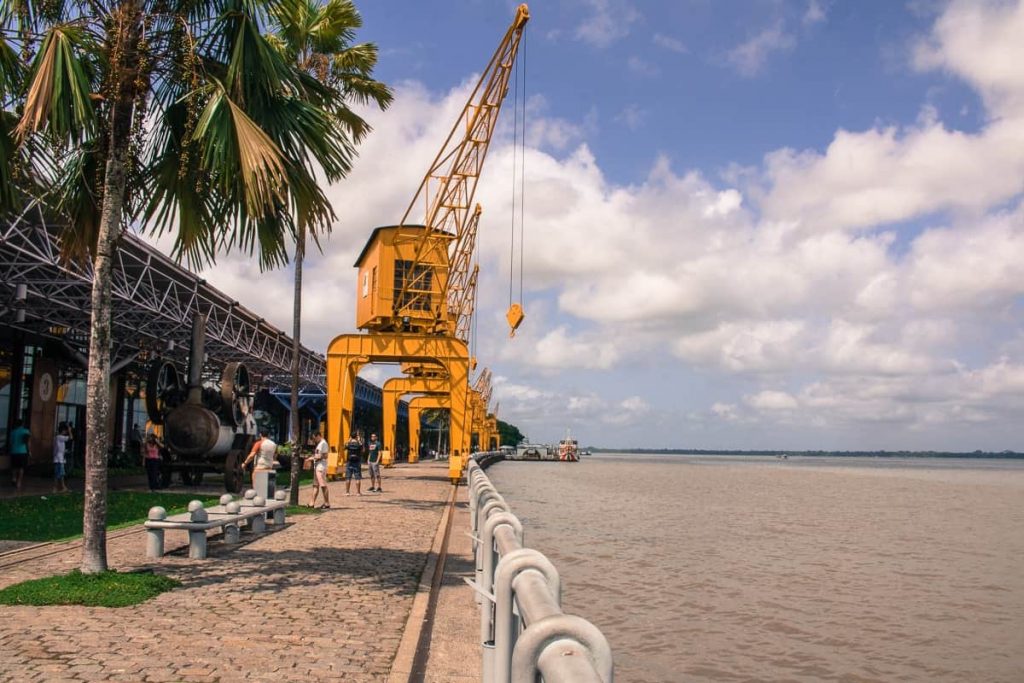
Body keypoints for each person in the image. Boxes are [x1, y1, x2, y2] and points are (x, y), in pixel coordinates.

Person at [308, 431, 330, 509]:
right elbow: (318, 454)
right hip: (317, 466)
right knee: (315, 485)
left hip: (321, 466)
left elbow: (325, 455)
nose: (314, 440)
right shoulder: (319, 444)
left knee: (323, 485)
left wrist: (314, 457)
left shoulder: (323, 443)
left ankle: (327, 503)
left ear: (318, 436)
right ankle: (312, 503)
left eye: (314, 438)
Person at [8, 419, 30, 492]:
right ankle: (19, 482)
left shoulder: (13, 432)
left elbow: (11, 443)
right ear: (22, 424)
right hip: (22, 451)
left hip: (14, 451)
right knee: (21, 468)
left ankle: (13, 478)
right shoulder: (26, 431)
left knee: (14, 466)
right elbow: (27, 442)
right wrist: (29, 451)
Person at [53, 424, 72, 493]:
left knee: (60, 474)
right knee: (59, 474)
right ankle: (57, 487)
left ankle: (62, 487)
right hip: (59, 459)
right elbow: (70, 438)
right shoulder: (59, 437)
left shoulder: (57, 438)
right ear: (63, 431)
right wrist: (70, 431)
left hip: (59, 458)